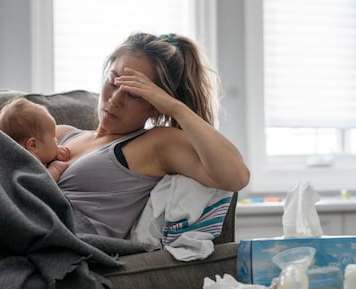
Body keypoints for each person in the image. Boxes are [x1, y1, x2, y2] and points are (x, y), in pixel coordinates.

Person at [56, 32, 250, 239]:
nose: (115, 100)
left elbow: (236, 177)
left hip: (62, 236)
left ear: (155, 106)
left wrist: (176, 108)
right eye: (113, 82)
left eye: (133, 94)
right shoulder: (62, 134)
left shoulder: (155, 144)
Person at [0, 97, 70, 182]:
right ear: (33, 145)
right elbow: (41, 184)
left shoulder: (32, 153)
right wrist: (55, 169)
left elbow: (43, 153)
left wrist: (54, 152)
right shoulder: (24, 166)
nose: (56, 140)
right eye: (53, 137)